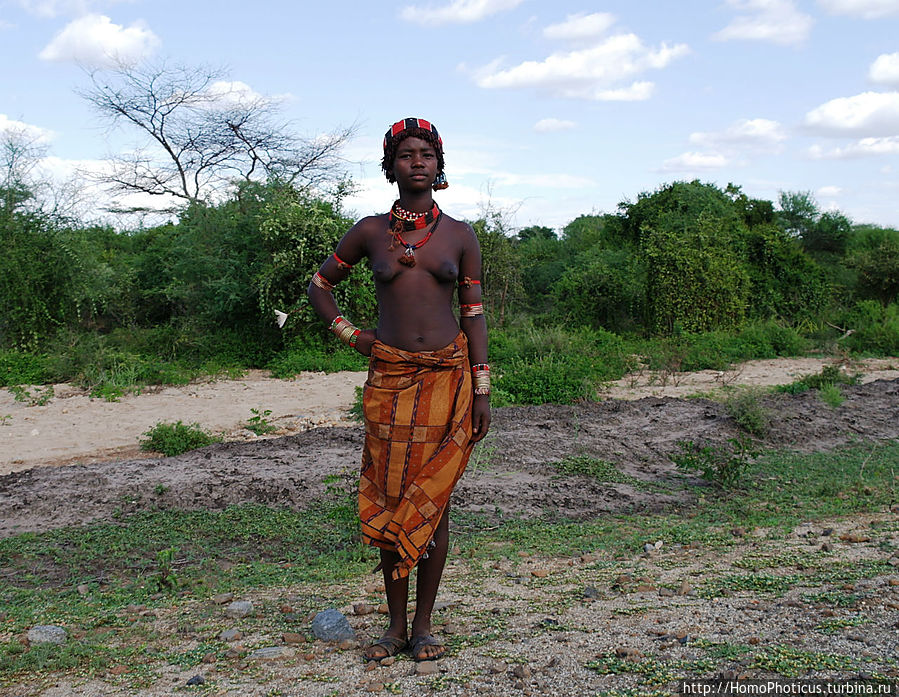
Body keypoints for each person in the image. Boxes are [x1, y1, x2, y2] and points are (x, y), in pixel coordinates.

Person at [307, 117, 490, 662]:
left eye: (426, 154)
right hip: (389, 382)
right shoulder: (368, 231)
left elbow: (474, 314)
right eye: (406, 154)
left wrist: (481, 391)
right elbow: (320, 286)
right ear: (391, 167)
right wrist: (354, 336)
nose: (417, 161)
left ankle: (425, 624)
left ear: (439, 165)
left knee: (436, 501)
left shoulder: (459, 235)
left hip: (448, 380)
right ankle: (393, 627)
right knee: (392, 499)